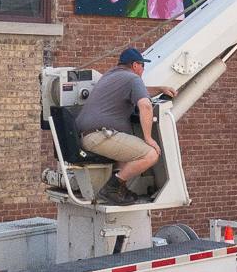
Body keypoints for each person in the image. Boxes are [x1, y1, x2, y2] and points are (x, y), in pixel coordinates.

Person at [74, 47, 175, 205]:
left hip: (87, 135)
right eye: (142, 66)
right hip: (100, 136)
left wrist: (160, 89)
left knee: (127, 145)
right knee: (150, 154)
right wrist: (149, 138)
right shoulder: (133, 79)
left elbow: (141, 91)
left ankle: (120, 189)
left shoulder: (111, 76)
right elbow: (146, 106)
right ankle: (112, 189)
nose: (143, 70)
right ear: (135, 65)